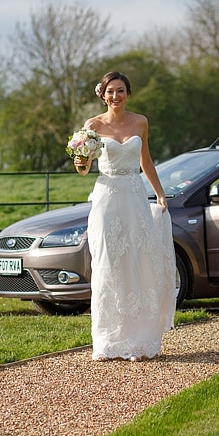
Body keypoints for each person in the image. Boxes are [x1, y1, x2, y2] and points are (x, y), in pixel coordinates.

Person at [73, 71, 175, 361]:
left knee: (137, 262)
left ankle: (140, 339)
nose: (115, 96)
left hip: (133, 196)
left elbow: (146, 160)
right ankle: (108, 340)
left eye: (120, 91)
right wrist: (80, 160)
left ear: (128, 93)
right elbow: (83, 168)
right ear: (102, 95)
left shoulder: (140, 122)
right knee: (108, 263)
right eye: (110, 91)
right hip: (107, 197)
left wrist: (159, 192)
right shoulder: (92, 126)